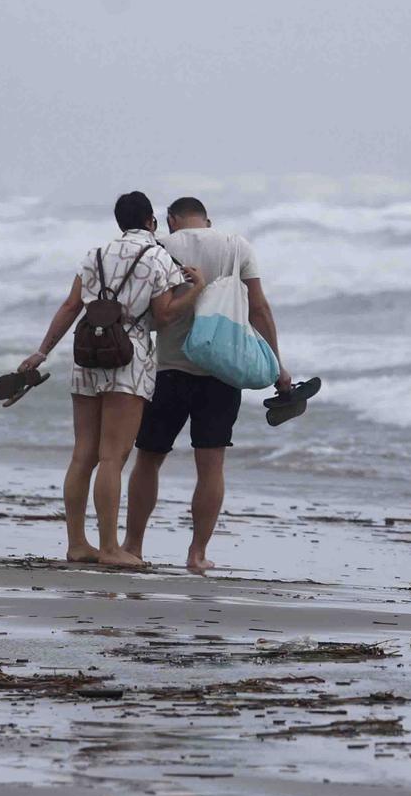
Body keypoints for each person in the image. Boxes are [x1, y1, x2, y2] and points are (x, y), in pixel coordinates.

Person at [18, 192, 202, 566]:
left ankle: (76, 544)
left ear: (119, 222)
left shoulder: (94, 255)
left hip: (87, 352)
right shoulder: (157, 257)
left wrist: (41, 352)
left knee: (82, 454)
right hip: (128, 357)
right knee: (112, 458)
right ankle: (109, 548)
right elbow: (164, 316)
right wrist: (197, 289)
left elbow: (71, 307)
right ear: (151, 221)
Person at [122, 197, 291, 573]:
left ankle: (133, 546)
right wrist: (278, 366)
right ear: (208, 220)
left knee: (148, 459)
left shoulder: (160, 247)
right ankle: (197, 554)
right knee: (211, 465)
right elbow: (259, 308)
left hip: (168, 369)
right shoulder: (236, 246)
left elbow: (144, 308)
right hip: (222, 372)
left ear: (170, 220)